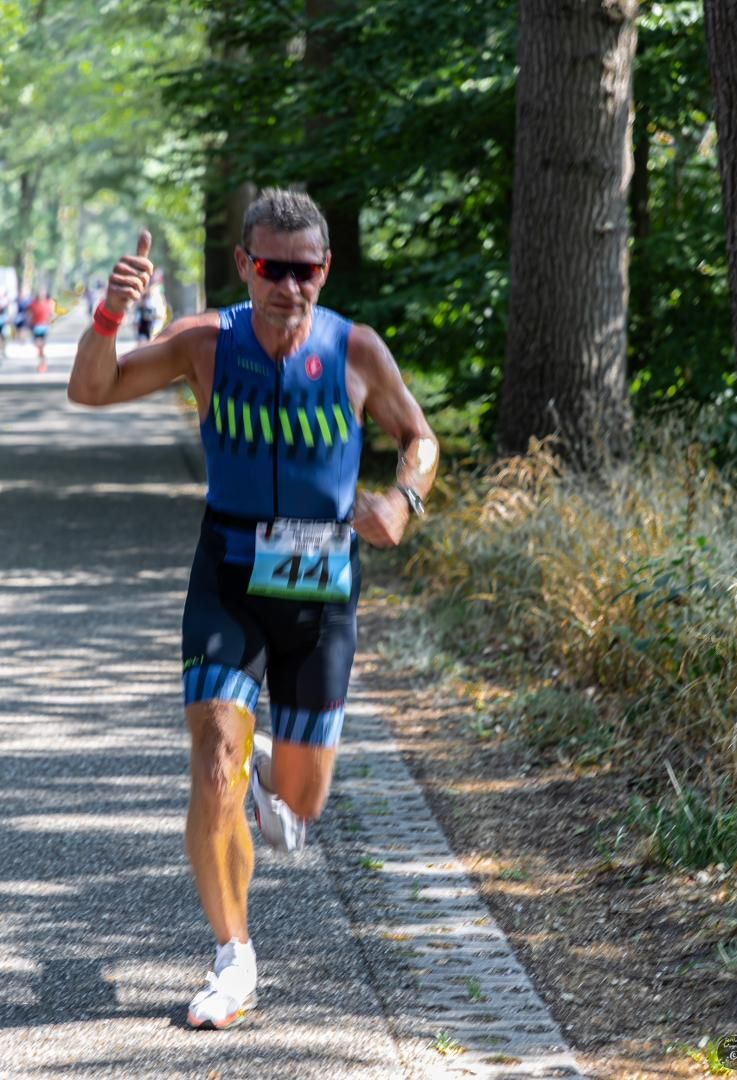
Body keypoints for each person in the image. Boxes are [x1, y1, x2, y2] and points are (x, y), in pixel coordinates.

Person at [68, 187, 439, 1031]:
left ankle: (271, 765)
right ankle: (233, 954)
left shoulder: (355, 349)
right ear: (243, 265)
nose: (288, 286)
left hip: (320, 592)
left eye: (304, 271)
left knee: (300, 806)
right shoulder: (206, 342)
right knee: (212, 766)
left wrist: (403, 501)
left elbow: (418, 438)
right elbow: (93, 390)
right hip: (229, 575)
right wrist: (110, 314)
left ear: (325, 270)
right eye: (271, 268)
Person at [27, 290, 56, 371]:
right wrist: (29, 323)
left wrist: (50, 321)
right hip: (35, 327)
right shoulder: (33, 304)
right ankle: (42, 361)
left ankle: (42, 364)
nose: (41, 296)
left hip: (44, 328)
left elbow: (52, 315)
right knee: (38, 345)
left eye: (43, 295)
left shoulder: (48, 303)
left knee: (41, 345)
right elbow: (29, 314)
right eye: (40, 295)